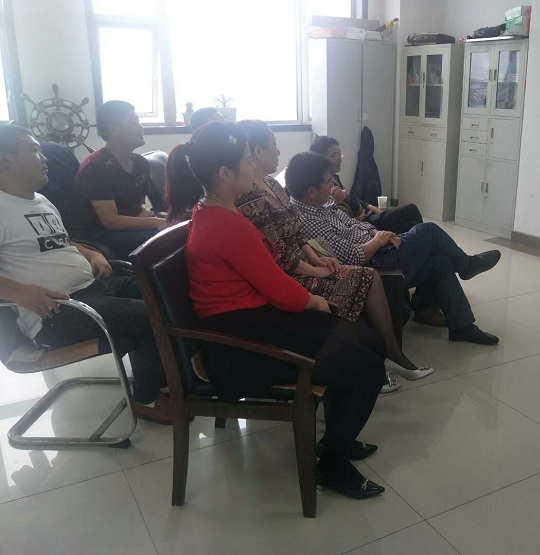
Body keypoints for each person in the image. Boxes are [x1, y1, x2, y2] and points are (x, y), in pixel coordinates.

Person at [166, 121, 385, 499]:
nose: (252, 165)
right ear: (225, 174)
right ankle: (331, 463)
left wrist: (310, 295)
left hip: (251, 320)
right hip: (238, 346)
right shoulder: (226, 224)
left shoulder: (214, 211)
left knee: (369, 342)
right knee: (367, 367)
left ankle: (337, 438)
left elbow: (269, 274)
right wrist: (315, 301)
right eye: (245, 160)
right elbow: (278, 287)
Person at [230, 120, 433, 388]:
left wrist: (315, 257)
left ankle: (385, 357)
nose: (278, 151)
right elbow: (276, 253)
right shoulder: (250, 197)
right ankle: (379, 360)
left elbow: (297, 232)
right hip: (289, 274)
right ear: (256, 151)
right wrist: (314, 269)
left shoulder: (272, 185)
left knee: (370, 276)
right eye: (273, 145)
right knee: (366, 278)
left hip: (303, 262)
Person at [0, 123, 171, 423]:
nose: (45, 157)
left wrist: (93, 254)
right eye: (34, 149)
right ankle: (147, 398)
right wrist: (20, 292)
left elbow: (62, 243)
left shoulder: (41, 200)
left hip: (93, 288)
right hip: (57, 311)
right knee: (151, 316)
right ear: (5, 160)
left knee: (166, 295)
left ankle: (168, 380)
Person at [287, 151, 502, 346]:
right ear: (311, 191)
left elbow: (354, 223)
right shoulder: (307, 221)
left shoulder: (321, 205)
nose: (332, 186)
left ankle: (462, 327)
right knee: (428, 231)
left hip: (380, 247)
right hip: (374, 263)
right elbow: (354, 256)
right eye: (328, 182)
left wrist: (378, 233)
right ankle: (466, 265)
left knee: (441, 262)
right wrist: (379, 241)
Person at [68, 100, 167, 260]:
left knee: (179, 229)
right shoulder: (96, 167)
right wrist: (154, 222)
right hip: (97, 235)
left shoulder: (140, 163)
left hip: (126, 228)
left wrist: (148, 216)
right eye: (134, 123)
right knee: (163, 240)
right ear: (114, 129)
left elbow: (139, 206)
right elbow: (110, 221)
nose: (141, 128)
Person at [309, 136, 423, 234]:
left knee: (410, 225)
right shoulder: (321, 186)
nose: (340, 159)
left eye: (340, 154)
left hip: (364, 215)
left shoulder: (334, 177)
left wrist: (370, 207)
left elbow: (350, 197)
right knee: (410, 209)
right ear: (320, 159)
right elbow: (333, 216)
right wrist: (354, 219)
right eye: (334, 155)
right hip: (361, 223)